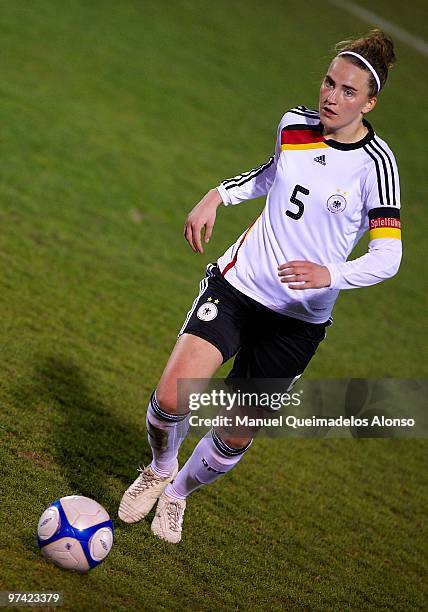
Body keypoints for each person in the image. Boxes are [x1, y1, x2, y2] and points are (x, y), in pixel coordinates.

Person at [118, 29, 402, 543]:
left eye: (348, 92)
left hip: (297, 322)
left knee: (233, 431)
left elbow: (389, 256)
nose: (332, 98)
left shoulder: (376, 167)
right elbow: (273, 174)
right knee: (170, 401)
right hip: (240, 286)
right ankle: (160, 467)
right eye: (329, 83)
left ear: (370, 101)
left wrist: (330, 274)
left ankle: (178, 493)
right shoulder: (295, 124)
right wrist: (218, 194)